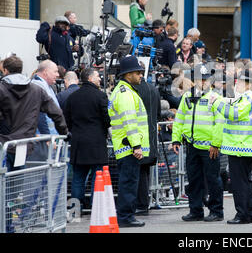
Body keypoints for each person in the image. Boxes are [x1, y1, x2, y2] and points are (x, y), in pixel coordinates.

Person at [172, 64, 225, 222]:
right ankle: (195, 210)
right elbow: (180, 118)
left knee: (213, 179)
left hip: (210, 147)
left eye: (205, 79)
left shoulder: (216, 97)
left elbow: (219, 122)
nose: (202, 82)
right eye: (199, 79)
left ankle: (216, 211)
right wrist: (176, 138)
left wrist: (215, 144)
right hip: (192, 145)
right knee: (194, 179)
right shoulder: (187, 96)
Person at [0, 56, 68, 172]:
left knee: (4, 183)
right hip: (23, 144)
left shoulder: (2, 89)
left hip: (3, 143)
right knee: (16, 182)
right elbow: (56, 112)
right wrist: (64, 132)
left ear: (5, 70)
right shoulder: (36, 90)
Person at [210, 69, 252, 224]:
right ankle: (250, 213)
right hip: (241, 146)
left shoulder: (247, 98)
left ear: (248, 84)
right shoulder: (244, 98)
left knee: (239, 183)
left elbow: (233, 114)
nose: (236, 84)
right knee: (246, 181)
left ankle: (242, 214)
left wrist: (216, 102)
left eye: (240, 82)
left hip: (240, 146)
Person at [108, 56, 150, 228]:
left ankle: (126, 215)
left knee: (129, 182)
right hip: (129, 147)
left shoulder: (123, 91)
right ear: (128, 74)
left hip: (126, 146)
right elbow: (130, 122)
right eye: (138, 73)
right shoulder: (125, 94)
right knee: (129, 183)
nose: (141, 76)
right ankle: (126, 217)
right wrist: (136, 146)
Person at [64, 68, 111, 211]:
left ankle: (75, 209)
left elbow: (67, 120)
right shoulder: (100, 96)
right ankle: (96, 208)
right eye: (97, 76)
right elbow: (106, 120)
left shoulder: (72, 97)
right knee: (98, 177)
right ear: (90, 78)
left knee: (78, 178)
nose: (99, 79)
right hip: (96, 143)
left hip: (78, 143)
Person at [134, 62, 161, 216]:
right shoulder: (153, 89)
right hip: (150, 136)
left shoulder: (134, 90)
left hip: (139, 137)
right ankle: (145, 202)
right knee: (145, 172)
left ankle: (141, 204)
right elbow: (157, 113)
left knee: (138, 173)